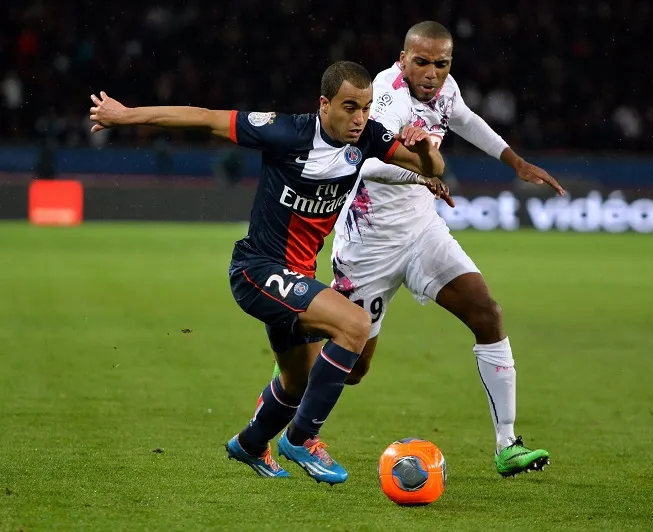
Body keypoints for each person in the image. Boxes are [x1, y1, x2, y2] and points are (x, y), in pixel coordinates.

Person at [88, 60, 446, 485]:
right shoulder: (285, 132)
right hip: (257, 270)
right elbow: (204, 119)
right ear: (324, 104)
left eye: (366, 108)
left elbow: (433, 168)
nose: (360, 119)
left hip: (296, 278)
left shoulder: (367, 137)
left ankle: (250, 443)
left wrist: (423, 146)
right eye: (350, 107)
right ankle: (302, 439)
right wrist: (125, 116)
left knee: (299, 382)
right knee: (354, 324)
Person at [332, 22, 565, 477]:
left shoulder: (445, 89)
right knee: (354, 366)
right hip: (369, 244)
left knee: (486, 312)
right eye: (422, 62)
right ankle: (287, 403)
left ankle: (507, 444)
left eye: (442, 63)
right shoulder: (386, 98)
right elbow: (368, 166)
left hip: (422, 230)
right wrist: (421, 172)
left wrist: (513, 161)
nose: (432, 72)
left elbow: (465, 120)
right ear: (403, 59)